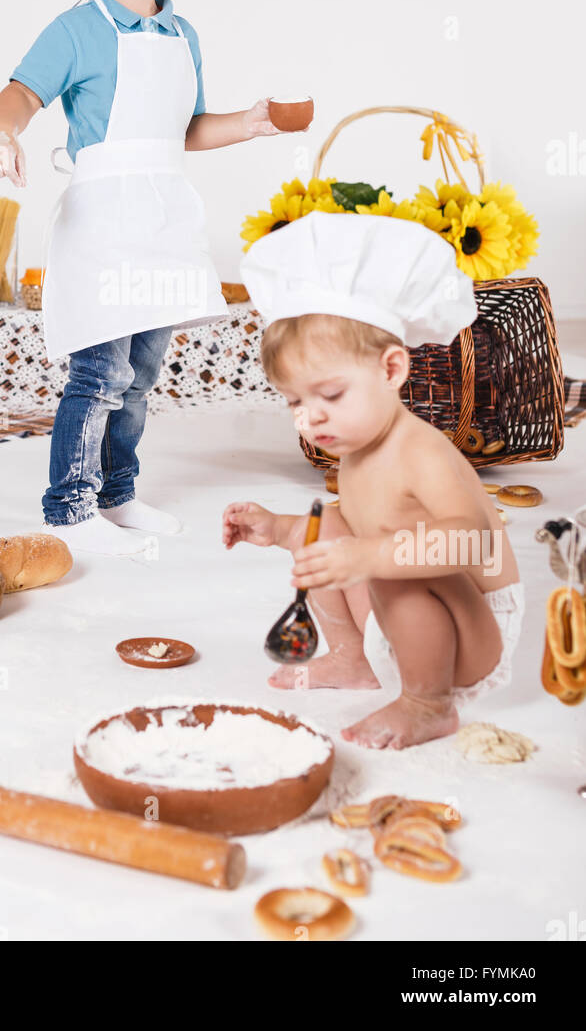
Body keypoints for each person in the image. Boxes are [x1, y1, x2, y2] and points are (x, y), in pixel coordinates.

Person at [0, 0, 304, 555]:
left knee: (143, 372)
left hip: (163, 213)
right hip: (104, 218)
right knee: (100, 371)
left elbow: (185, 130)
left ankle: (117, 495)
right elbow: (22, 90)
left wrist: (252, 122)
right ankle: (68, 508)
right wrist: (3, 132)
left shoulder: (182, 35)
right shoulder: (77, 29)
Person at [223, 209, 525, 749]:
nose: (311, 418)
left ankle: (428, 704)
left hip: (471, 643)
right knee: (327, 527)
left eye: (331, 395)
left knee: (389, 560)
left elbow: (469, 539)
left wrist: (371, 558)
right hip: (405, 626)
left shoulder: (421, 452)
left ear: (391, 371)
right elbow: (346, 528)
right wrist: (280, 529)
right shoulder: (359, 448)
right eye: (296, 401)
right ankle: (351, 658)